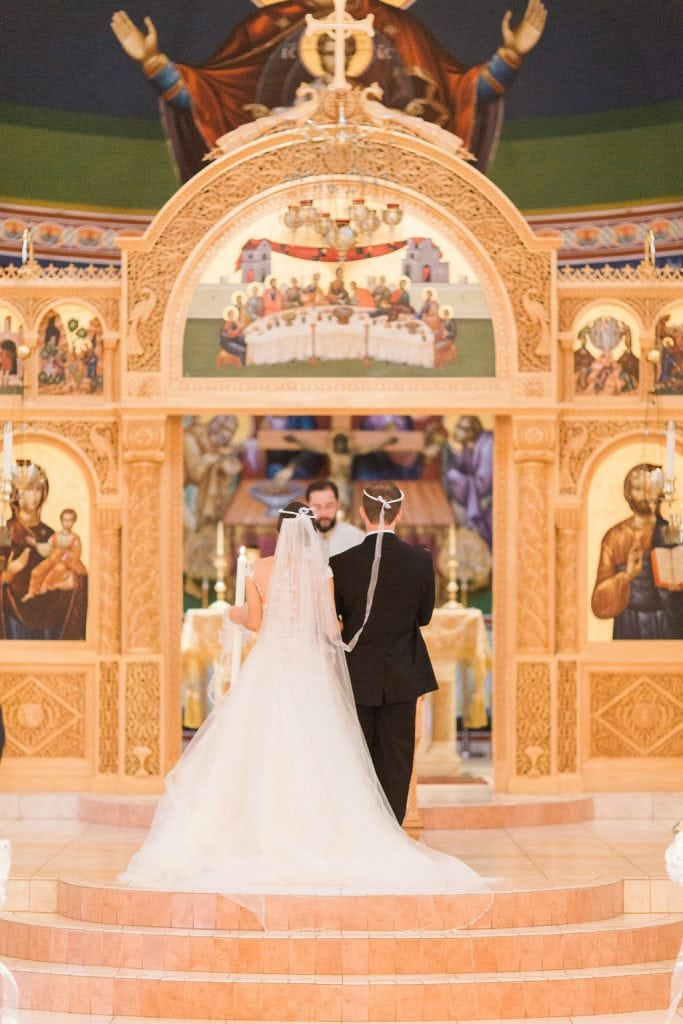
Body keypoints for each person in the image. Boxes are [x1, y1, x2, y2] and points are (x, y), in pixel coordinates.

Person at [120, 501, 489, 902]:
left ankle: (260, 831)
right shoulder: (322, 571)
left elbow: (256, 623)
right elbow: (332, 626)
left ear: (278, 532)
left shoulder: (258, 569)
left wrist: (237, 616)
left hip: (271, 667)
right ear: (312, 533)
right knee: (319, 749)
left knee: (260, 749)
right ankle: (329, 832)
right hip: (310, 668)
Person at [111, 1, 547, 181]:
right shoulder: (267, 26)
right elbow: (208, 98)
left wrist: (509, 54)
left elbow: (461, 93)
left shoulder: (399, 26)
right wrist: (154, 63)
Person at [330, 483, 436, 823]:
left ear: (361, 513)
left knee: (354, 755)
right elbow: (424, 617)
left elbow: (337, 621)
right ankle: (390, 830)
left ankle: (359, 828)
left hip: (356, 673)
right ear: (400, 513)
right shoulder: (419, 560)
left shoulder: (341, 563)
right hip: (403, 674)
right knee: (397, 757)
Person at [591, 463, 683, 640]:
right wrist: (627, 576)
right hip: (629, 622)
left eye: (652, 488)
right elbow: (599, 600)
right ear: (628, 492)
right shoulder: (615, 536)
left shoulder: (671, 531)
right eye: (639, 488)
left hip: (668, 622)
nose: (645, 495)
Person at [0, 462, 88, 640]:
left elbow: (72, 565)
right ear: (14, 494)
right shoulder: (6, 532)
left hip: (52, 613)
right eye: (25, 489)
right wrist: (10, 572)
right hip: (15, 614)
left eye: (37, 489)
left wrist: (74, 580)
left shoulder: (51, 534)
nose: (32, 496)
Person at [444, 414, 494, 549]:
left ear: (471, 431)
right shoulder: (467, 446)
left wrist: (457, 477)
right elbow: (462, 467)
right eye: (457, 427)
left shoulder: (488, 445)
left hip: (489, 507)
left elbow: (482, 484)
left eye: (461, 428)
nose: (456, 432)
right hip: (478, 503)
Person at [22, 508, 87, 601]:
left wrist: (65, 555)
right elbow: (48, 548)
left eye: (70, 520)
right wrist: (35, 544)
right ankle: (32, 592)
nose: (67, 523)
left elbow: (76, 553)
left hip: (67, 563)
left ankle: (43, 592)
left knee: (53, 574)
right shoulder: (56, 536)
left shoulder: (75, 538)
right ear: (61, 521)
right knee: (36, 571)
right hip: (53, 559)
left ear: (73, 522)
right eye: (65, 520)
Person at [305, 479, 364, 559]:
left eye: (329, 506)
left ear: (338, 504)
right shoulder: (299, 539)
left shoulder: (357, 538)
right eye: (317, 507)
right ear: (307, 507)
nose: (324, 513)